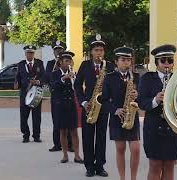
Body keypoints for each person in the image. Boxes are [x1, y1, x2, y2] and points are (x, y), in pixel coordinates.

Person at [74, 34, 115, 177]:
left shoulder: (109, 66)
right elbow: (77, 85)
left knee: (101, 137)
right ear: (91, 52)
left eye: (101, 50)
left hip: (103, 107)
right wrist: (84, 102)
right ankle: (89, 167)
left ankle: (100, 166)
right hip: (89, 107)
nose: (99, 53)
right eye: (96, 50)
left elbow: (115, 86)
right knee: (88, 137)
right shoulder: (85, 65)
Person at [138, 44, 177, 180]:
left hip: (172, 128)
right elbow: (141, 103)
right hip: (153, 127)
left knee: (169, 165)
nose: (167, 64)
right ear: (156, 63)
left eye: (170, 60)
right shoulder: (147, 78)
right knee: (155, 165)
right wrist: (155, 100)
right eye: (163, 61)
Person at [102, 46, 140, 180]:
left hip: (131, 116)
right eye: (123, 60)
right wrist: (115, 110)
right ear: (116, 61)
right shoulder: (109, 78)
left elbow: (143, 98)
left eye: (129, 60)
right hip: (117, 117)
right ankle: (122, 178)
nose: (126, 63)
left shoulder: (136, 77)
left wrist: (138, 95)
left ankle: (133, 178)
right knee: (120, 149)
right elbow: (104, 100)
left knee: (135, 149)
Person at [50, 51, 84, 164]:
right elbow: (53, 87)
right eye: (66, 61)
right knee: (63, 131)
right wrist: (64, 78)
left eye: (70, 61)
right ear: (60, 62)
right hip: (60, 106)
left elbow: (77, 89)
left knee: (74, 131)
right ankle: (65, 155)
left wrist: (75, 80)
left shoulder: (73, 73)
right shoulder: (55, 74)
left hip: (71, 105)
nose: (69, 63)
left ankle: (77, 155)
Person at [45, 40, 73, 152]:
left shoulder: (69, 63)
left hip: (67, 95)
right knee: (56, 121)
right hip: (56, 97)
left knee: (70, 121)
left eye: (60, 50)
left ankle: (70, 145)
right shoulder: (50, 64)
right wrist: (56, 68)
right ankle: (57, 144)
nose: (58, 52)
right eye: (56, 50)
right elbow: (47, 77)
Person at [15, 45, 45, 143]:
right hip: (24, 93)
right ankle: (25, 135)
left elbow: (43, 77)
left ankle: (36, 136)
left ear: (34, 53)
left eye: (32, 53)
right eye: (28, 53)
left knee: (37, 116)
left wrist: (38, 82)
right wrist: (17, 84)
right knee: (24, 116)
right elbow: (18, 77)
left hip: (36, 93)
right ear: (25, 53)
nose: (30, 55)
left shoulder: (39, 63)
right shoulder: (20, 64)